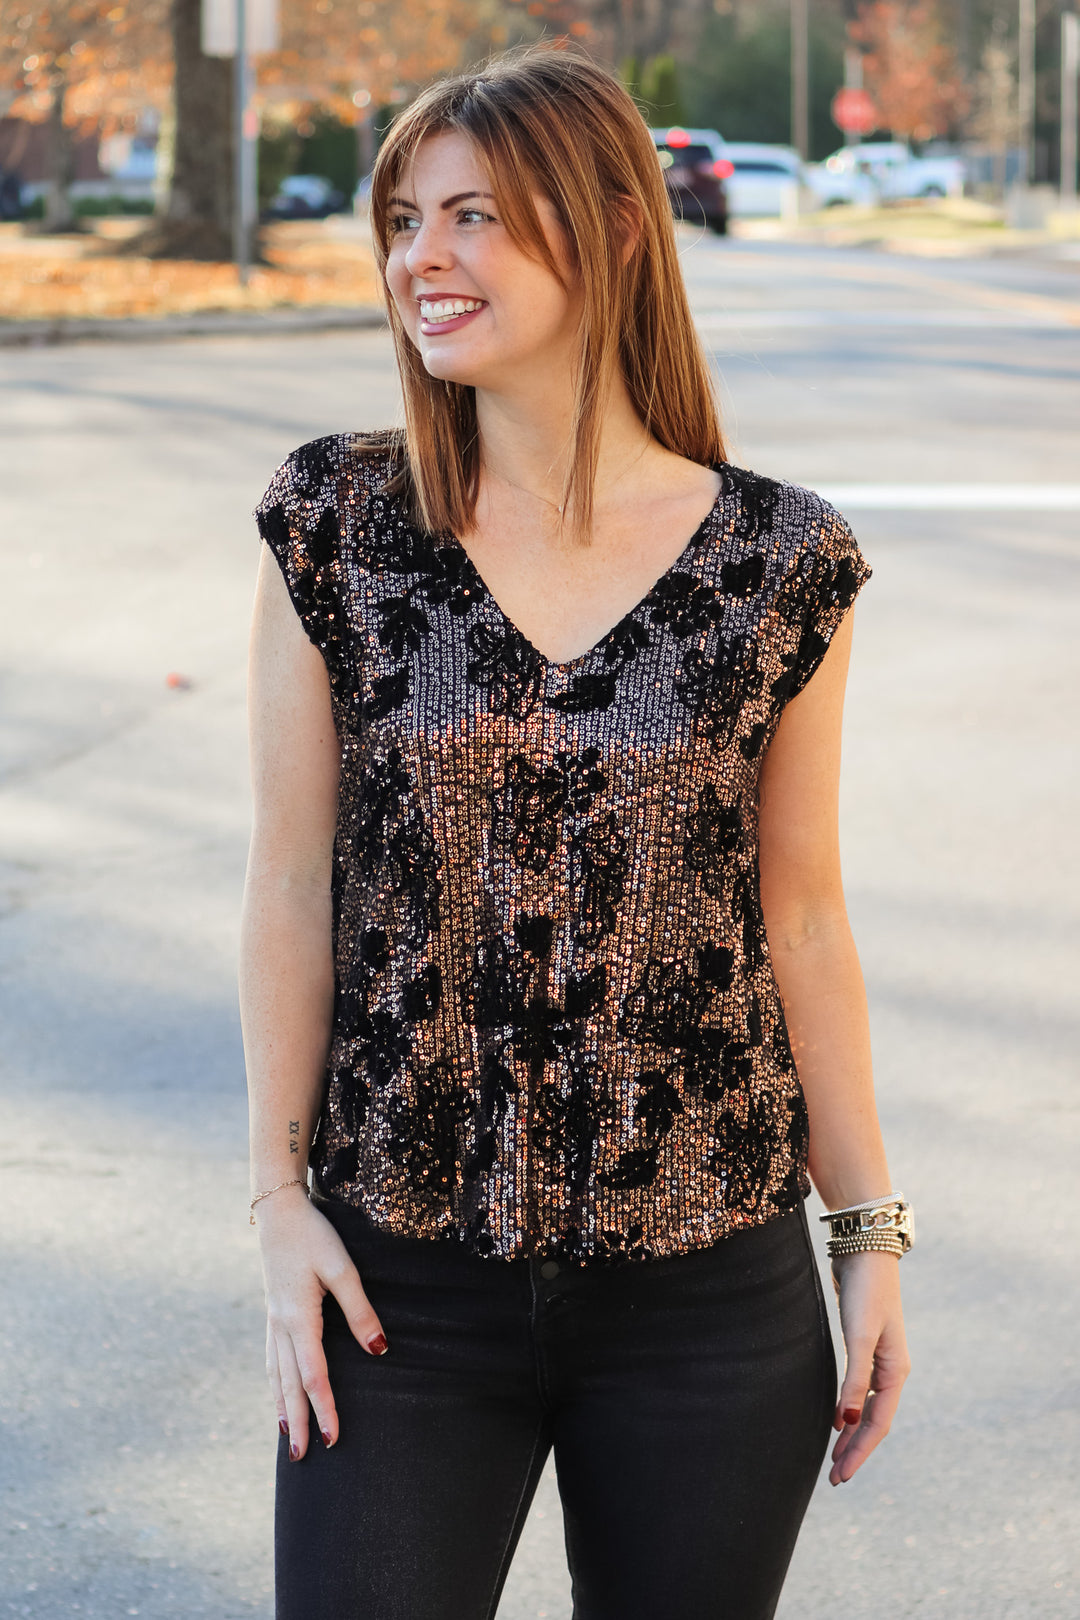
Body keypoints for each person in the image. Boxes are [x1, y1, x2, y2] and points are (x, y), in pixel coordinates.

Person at [239, 44, 912, 1620]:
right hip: (397, 1286)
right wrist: (279, 1203)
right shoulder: (335, 524)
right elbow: (289, 882)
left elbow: (801, 917)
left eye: (473, 215)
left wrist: (867, 1233)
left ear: (615, 229)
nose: (421, 257)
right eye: (404, 219)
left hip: (713, 1296)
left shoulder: (781, 560)